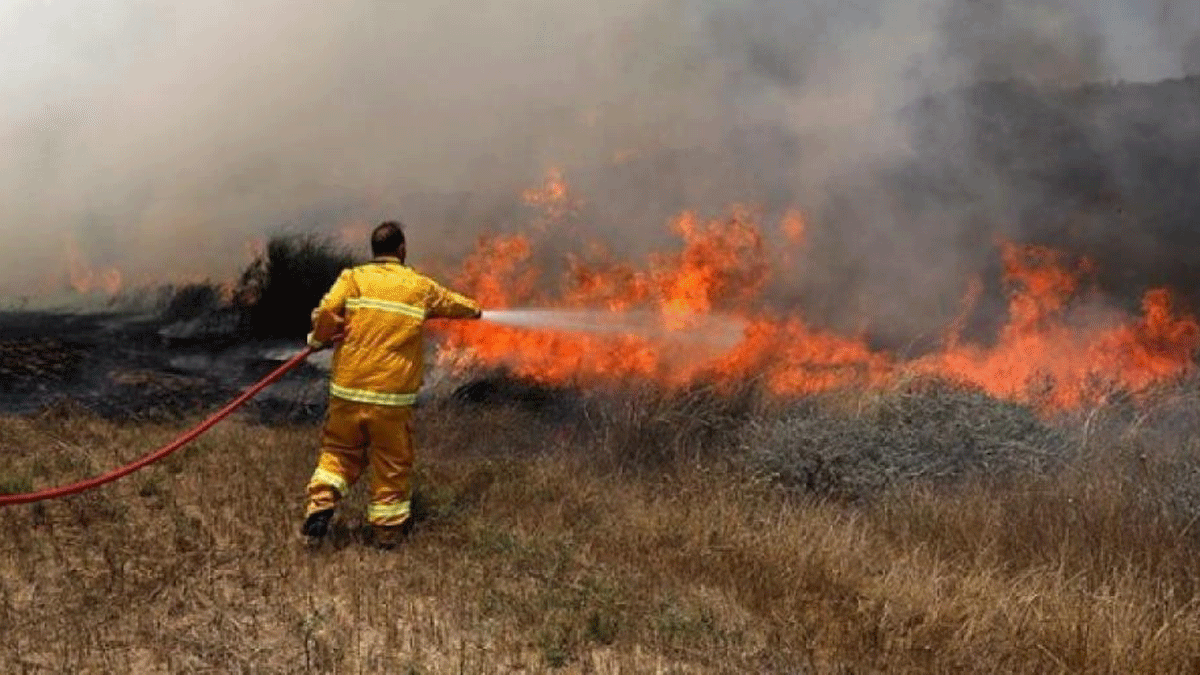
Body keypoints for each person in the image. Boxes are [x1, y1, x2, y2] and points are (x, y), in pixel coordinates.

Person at [302, 220, 481, 548]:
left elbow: (327, 309)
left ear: (374, 250)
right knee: (391, 462)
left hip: (347, 390)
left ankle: (321, 503)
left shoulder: (353, 278)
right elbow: (456, 304)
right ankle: (386, 534)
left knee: (339, 452)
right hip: (390, 399)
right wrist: (477, 311)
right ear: (402, 249)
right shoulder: (418, 286)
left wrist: (318, 339)